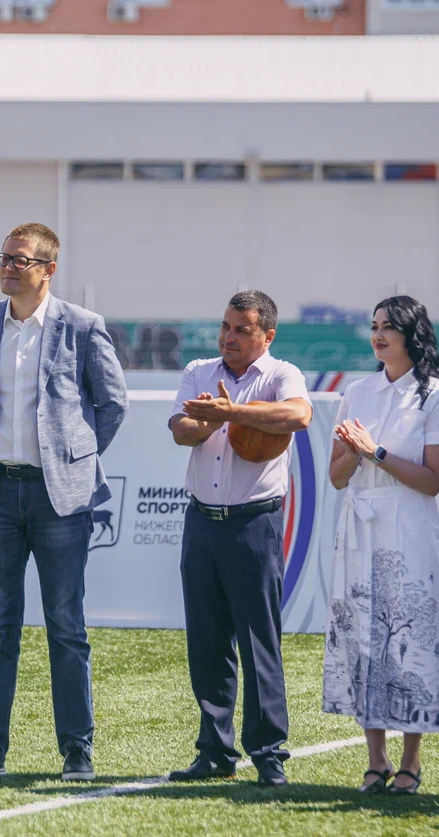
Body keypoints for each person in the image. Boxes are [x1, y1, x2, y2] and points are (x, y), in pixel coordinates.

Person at [0, 223, 128, 782]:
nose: (8, 266)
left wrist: (73, 458)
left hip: (61, 499)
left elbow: (112, 404)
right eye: (3, 257)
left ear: (48, 269)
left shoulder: (82, 326)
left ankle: (77, 749)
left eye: (20, 260)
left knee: (65, 625)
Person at [166, 290, 312, 788]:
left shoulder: (282, 375)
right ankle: (214, 750)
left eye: (242, 329)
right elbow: (180, 429)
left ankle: (269, 752)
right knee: (206, 642)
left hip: (255, 524)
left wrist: (232, 413)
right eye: (226, 327)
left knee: (258, 641)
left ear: (266, 335)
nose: (229, 337)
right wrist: (208, 419)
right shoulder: (198, 372)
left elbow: (298, 416)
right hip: (201, 521)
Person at [325, 295, 439, 795]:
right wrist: (353, 454)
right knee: (364, 637)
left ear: (413, 333)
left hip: (409, 524)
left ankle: (411, 760)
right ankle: (374, 758)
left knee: (406, 638)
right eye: (374, 326)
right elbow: (337, 477)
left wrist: (375, 452)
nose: (379, 335)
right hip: (360, 524)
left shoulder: (438, 397)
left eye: (389, 326)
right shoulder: (357, 392)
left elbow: (433, 480)